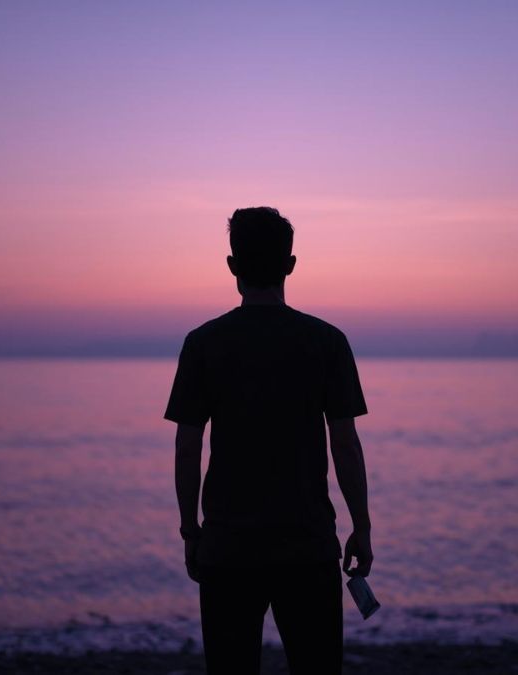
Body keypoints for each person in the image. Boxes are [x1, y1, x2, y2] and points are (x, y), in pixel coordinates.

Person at [164, 206, 373, 674]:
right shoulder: (326, 341)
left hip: (228, 547)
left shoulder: (203, 343)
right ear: (290, 265)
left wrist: (190, 530)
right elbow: (345, 445)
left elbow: (187, 447)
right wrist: (361, 526)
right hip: (307, 544)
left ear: (232, 266)